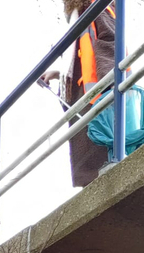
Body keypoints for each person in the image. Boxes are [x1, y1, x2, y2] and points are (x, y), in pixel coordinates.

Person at [42, 0, 117, 187]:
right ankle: (94, 188)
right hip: (83, 88)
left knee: (99, 141)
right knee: (87, 149)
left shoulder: (98, 6)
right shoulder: (79, 15)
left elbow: (111, 40)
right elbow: (79, 56)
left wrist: (108, 79)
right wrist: (57, 73)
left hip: (96, 86)